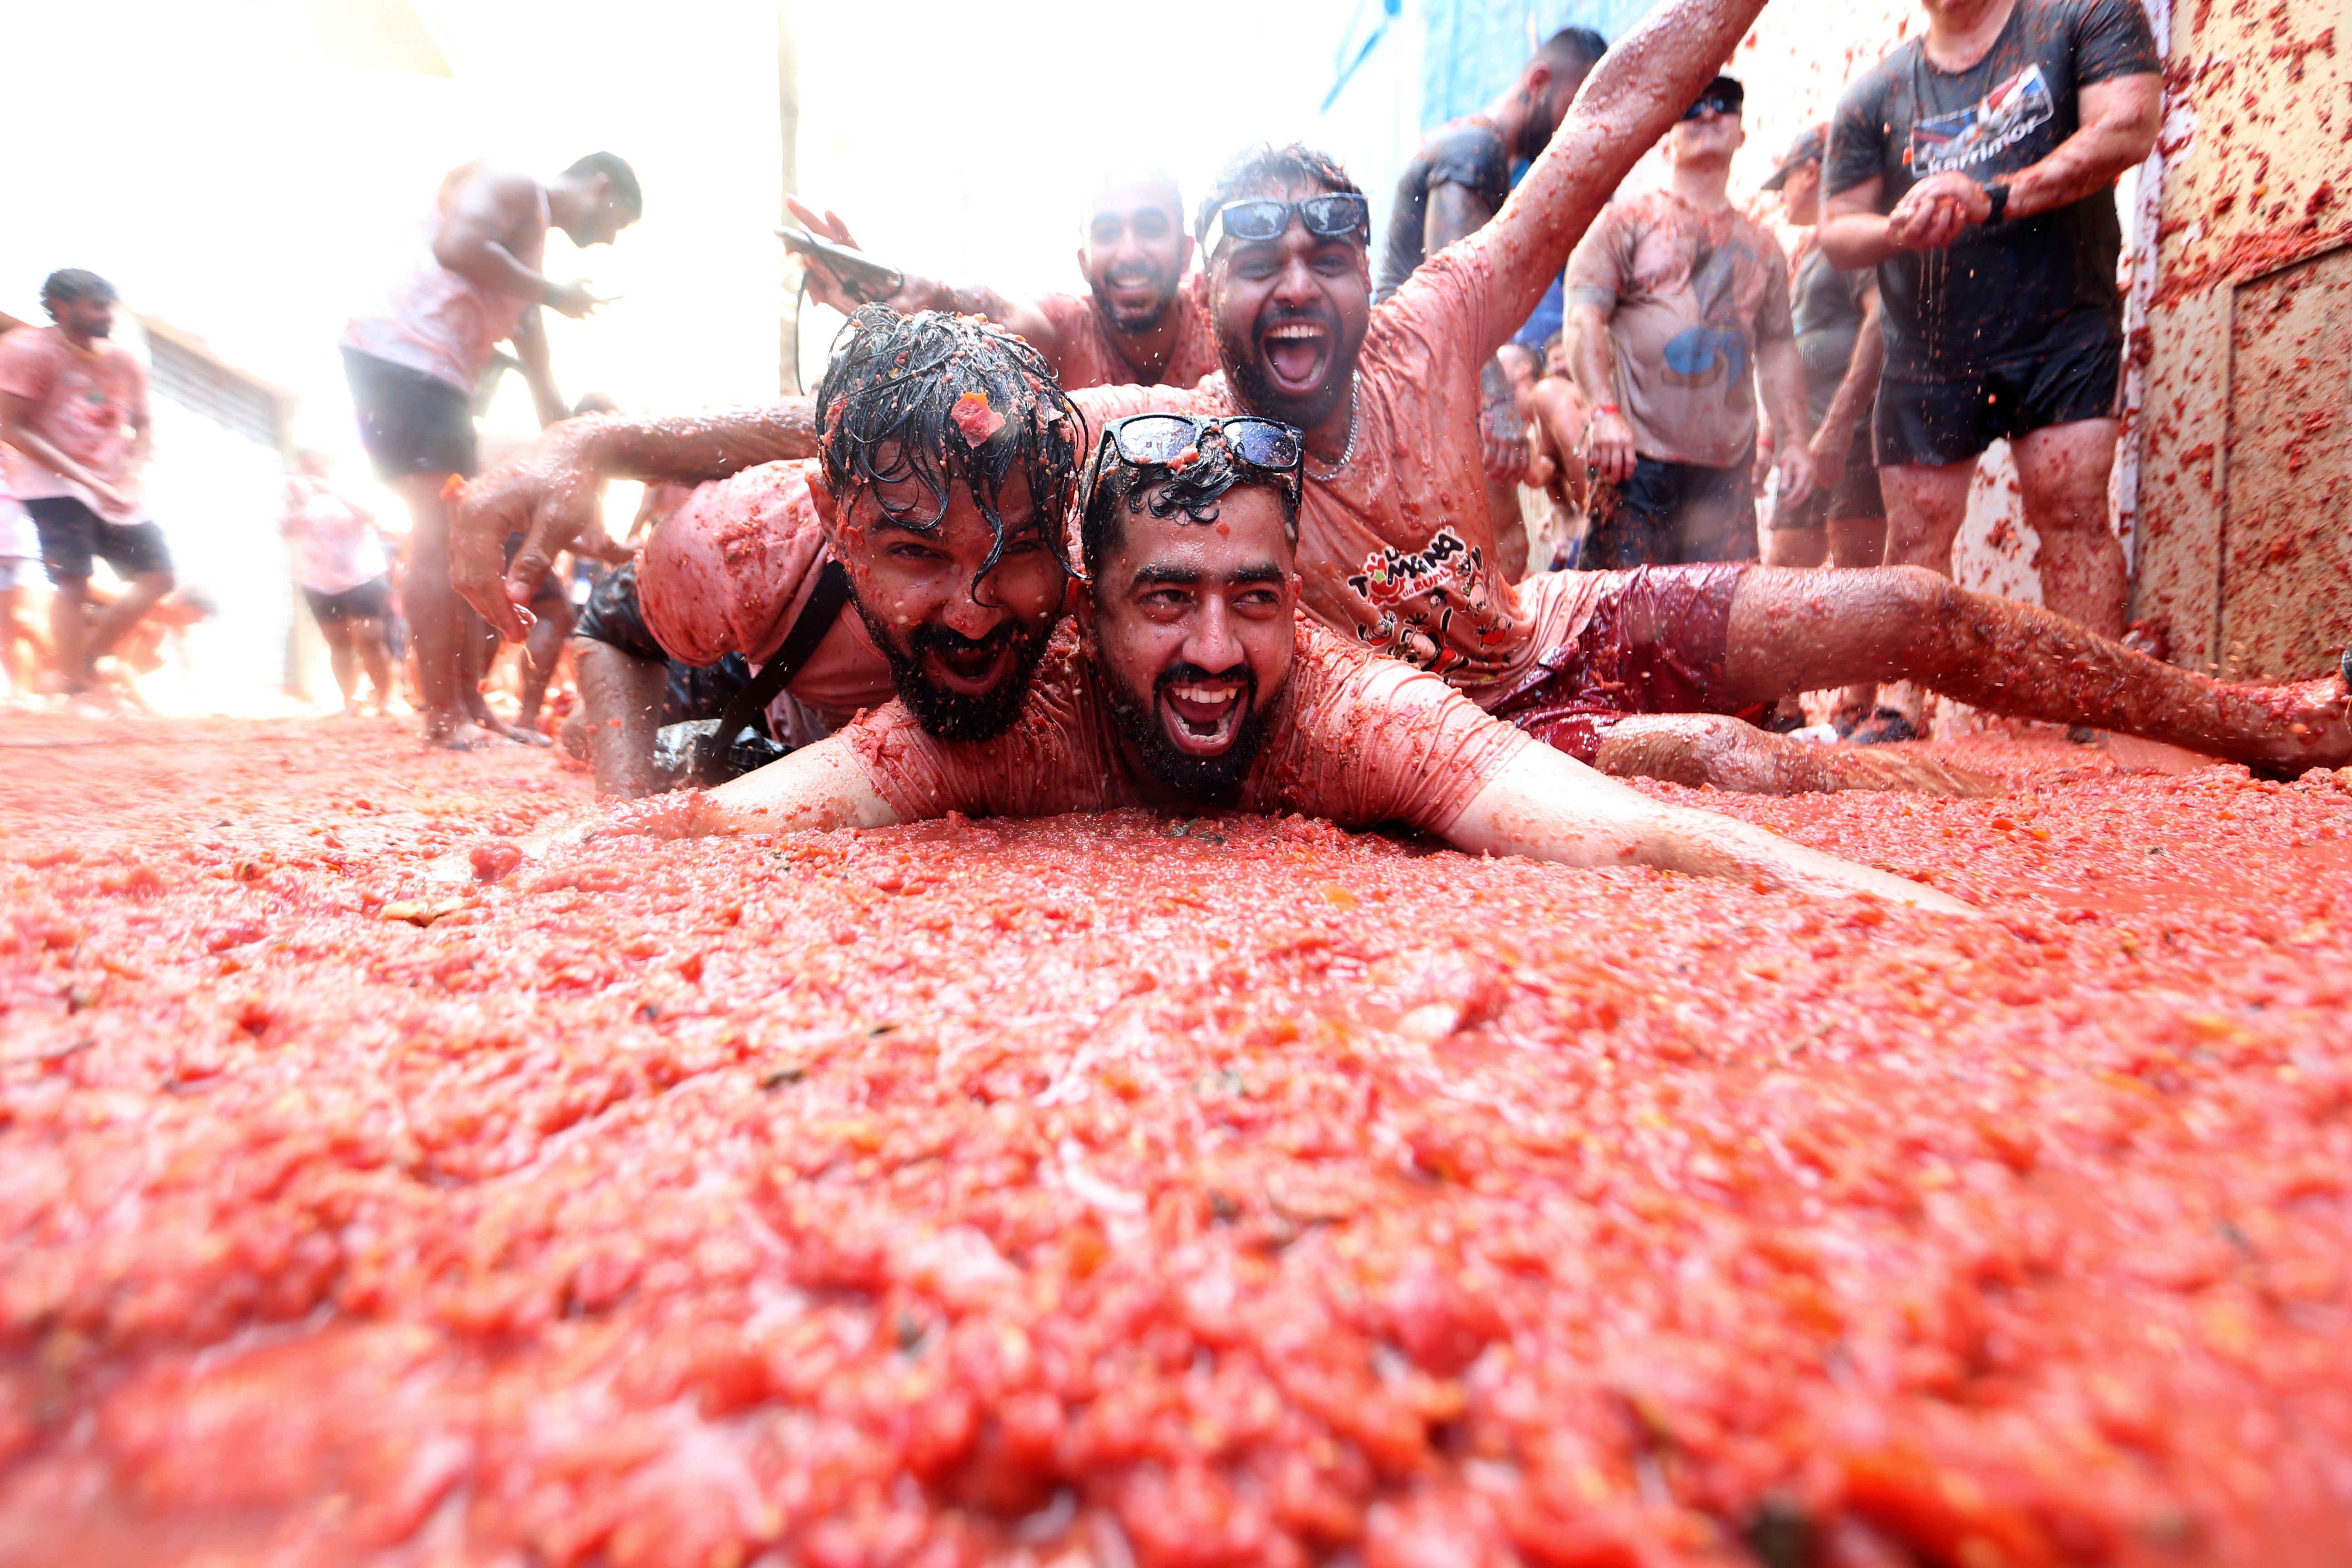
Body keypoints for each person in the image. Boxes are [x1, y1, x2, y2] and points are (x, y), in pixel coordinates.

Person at [510, 414, 1966, 914]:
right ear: (1088, 610)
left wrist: (1905, 908)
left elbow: (1622, 831)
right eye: (1167, 604)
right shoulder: (986, 712)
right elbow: (723, 822)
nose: (1214, 652)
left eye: (1250, 602)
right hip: (715, 680)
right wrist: (547, 861)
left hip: (1494, 641)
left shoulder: (1349, 710)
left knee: (1753, 738)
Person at [573, 309, 1086, 798]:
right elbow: (613, 629)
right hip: (749, 688)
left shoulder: (1103, 545)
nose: (972, 619)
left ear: (1063, 515)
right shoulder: (749, 544)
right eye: (916, 552)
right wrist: (623, 809)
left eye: (1018, 548)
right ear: (833, 520)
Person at [1819, 0, 2162, 671]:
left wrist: (1993, 197)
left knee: (2072, 512)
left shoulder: (2081, 14)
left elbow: (2129, 126)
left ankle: (2089, 700)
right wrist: (1895, 229)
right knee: (1915, 536)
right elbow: (1837, 231)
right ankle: (1901, 710)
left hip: (2062, 322)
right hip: (1929, 345)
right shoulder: (1875, 92)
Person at [341, 152, 641, 748]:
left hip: (436, 376)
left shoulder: (526, 260)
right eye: (620, 220)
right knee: (438, 533)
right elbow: (456, 246)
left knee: (462, 537)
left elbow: (543, 379)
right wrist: (554, 293)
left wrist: (580, 451)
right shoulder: (515, 186)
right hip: (407, 357)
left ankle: (471, 705)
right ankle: (443, 716)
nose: (610, 239)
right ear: (601, 185)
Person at [1567, 75, 1815, 568]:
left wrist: (1796, 442)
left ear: (1742, 133)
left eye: (1724, 104)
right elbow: (1582, 318)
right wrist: (1603, 411)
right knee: (1622, 610)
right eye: (1692, 106)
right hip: (1635, 462)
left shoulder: (1764, 247)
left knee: (1720, 613)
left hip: (1726, 473)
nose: (1709, 113)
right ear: (1668, 137)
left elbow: (1778, 351)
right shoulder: (1626, 221)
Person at [788, 167, 1220, 392]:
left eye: (1150, 228)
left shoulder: (1220, 325)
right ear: (1085, 264)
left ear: (1187, 252)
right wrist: (917, 297)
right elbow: (999, 314)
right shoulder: (1068, 329)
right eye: (1107, 233)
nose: (1129, 253)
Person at [1759, 123, 1896, 737]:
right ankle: (1784, 707)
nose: (1781, 195)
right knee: (1783, 570)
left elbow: (1879, 320)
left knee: (1855, 572)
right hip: (1800, 442)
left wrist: (1840, 422)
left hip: (1852, 428)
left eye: (1784, 181)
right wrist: (1772, 437)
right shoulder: (1806, 252)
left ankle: (1855, 707)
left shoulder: (1849, 240)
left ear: (1810, 173)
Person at [0, 270, 176, 705]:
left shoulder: (124, 361)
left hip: (114, 484)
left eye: (108, 307)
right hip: (52, 483)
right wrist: (86, 480)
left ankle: (89, 662)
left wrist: (132, 475)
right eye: (97, 307)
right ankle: (75, 688)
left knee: (159, 578)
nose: (107, 316)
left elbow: (144, 425)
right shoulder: (26, 351)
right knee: (73, 580)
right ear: (62, 307)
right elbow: (11, 426)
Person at [279, 450, 398, 714]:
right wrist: (296, 506)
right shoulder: (298, 495)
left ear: (332, 465)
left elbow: (371, 516)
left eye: (317, 466)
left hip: (363, 575)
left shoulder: (353, 488)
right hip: (318, 581)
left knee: (371, 638)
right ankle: (349, 701)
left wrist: (332, 491)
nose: (311, 472)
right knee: (338, 642)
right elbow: (285, 531)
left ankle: (385, 699)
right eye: (306, 467)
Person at [0, 481, 48, 699]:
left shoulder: (22, 464)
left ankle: (63, 670)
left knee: (27, 621)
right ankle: (20, 691)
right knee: (6, 627)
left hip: (31, 549)